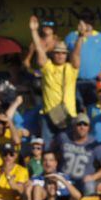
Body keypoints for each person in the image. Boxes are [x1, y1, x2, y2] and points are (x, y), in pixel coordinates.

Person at [30, 16, 82, 145]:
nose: (60, 55)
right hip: (48, 115)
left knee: (67, 148)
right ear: (53, 54)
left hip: (68, 115)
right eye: (57, 52)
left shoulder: (71, 68)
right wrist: (34, 31)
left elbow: (76, 55)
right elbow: (40, 52)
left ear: (66, 55)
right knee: (47, 150)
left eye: (63, 53)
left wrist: (80, 36)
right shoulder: (48, 67)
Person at [51, 113, 101, 195]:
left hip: (83, 182)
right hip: (64, 179)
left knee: (89, 186)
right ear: (74, 126)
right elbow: (51, 151)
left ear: (89, 128)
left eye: (85, 124)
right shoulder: (63, 137)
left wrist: (93, 177)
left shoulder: (94, 144)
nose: (82, 127)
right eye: (79, 124)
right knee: (51, 183)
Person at [64, 12, 101, 108]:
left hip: (95, 80)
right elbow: (62, 55)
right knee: (77, 109)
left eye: (91, 21)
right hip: (75, 80)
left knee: (94, 108)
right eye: (85, 21)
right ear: (80, 22)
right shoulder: (71, 36)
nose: (88, 24)